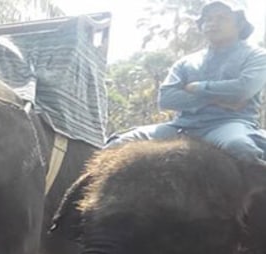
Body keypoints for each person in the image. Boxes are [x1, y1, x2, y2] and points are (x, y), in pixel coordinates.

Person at [107, 0, 266, 163]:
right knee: (118, 143)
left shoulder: (257, 56)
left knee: (241, 147)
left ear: (239, 24)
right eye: (208, 19)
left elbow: (243, 90)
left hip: (228, 125)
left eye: (221, 18)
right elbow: (167, 98)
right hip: (183, 125)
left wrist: (197, 87)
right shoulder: (186, 62)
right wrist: (218, 97)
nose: (212, 23)